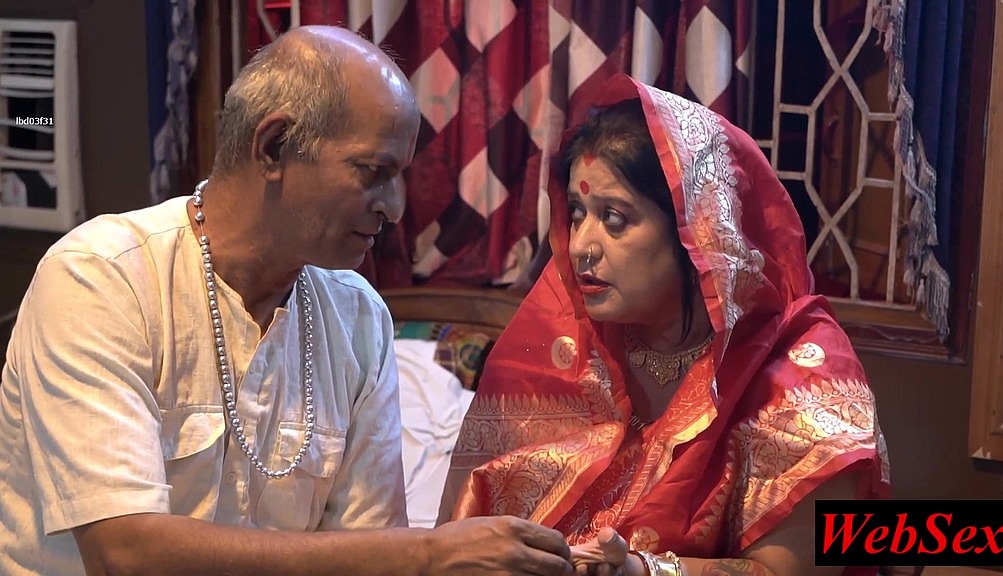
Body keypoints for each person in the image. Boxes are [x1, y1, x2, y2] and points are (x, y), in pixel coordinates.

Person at [0, 25, 575, 576]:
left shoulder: (358, 317)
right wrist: (426, 556)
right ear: (274, 147)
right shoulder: (103, 277)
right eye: (373, 171)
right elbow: (124, 554)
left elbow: (370, 552)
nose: (395, 207)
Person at [437, 74, 890, 576]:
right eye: (578, 214)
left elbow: (791, 573)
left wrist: (643, 571)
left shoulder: (799, 375)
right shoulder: (563, 345)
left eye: (614, 218)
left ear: (697, 233)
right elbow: (469, 540)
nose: (581, 245)